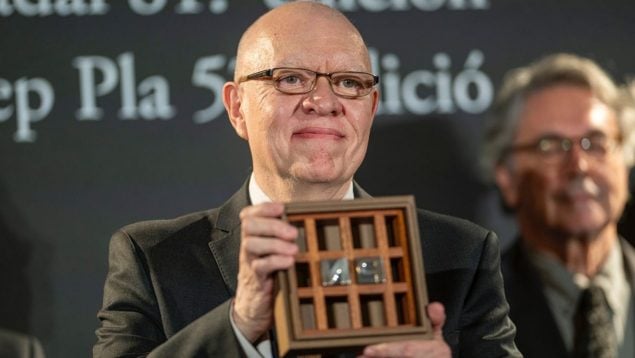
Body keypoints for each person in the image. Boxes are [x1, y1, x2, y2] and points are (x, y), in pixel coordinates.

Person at [93, 2, 519, 357]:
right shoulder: (153, 258)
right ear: (237, 107)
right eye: (291, 79)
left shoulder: (461, 255)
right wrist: (239, 326)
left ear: (369, 110)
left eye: (349, 83)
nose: (323, 101)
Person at [482, 53, 635, 358]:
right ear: (508, 178)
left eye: (596, 141)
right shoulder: (477, 309)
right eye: (551, 146)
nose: (579, 165)